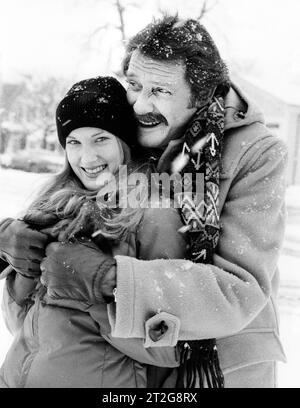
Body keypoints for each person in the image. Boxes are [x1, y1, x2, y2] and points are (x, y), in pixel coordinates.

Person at [1, 14, 288, 388]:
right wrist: (14, 242)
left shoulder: (256, 152)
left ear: (200, 95)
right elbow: (71, 206)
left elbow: (241, 287)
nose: (138, 104)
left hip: (220, 364)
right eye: (135, 84)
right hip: (134, 355)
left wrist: (111, 278)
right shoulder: (137, 130)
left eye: (161, 90)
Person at [0, 76, 188, 388]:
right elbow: (21, 326)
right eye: (74, 142)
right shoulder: (52, 208)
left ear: (124, 142)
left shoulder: (154, 214)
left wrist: (98, 293)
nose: (87, 158)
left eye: (100, 139)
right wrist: (14, 263)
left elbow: (169, 349)